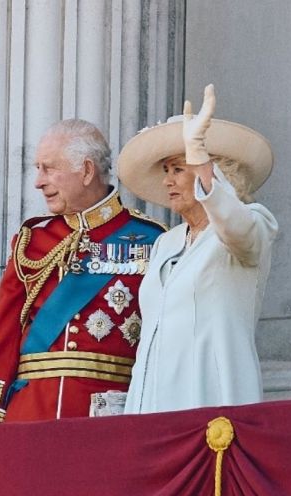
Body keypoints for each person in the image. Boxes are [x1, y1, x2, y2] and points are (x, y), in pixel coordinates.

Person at [0, 119, 166, 424]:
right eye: (37, 168)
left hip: (110, 418)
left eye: (48, 169)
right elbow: (2, 342)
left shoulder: (153, 240)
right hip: (31, 417)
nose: (38, 181)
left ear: (86, 171)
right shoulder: (32, 241)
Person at [119, 85, 277, 414]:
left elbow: (237, 227)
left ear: (216, 171)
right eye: (166, 171)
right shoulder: (167, 242)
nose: (167, 180)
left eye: (179, 169)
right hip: (151, 410)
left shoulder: (252, 227)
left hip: (211, 403)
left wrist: (200, 161)